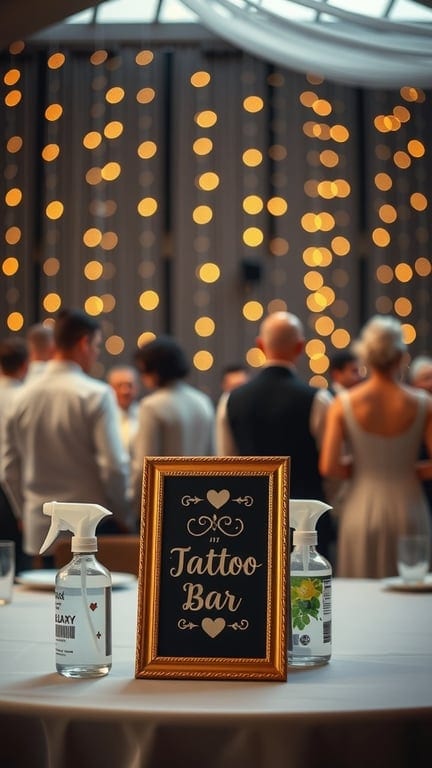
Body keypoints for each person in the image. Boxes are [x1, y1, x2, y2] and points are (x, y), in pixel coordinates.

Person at [0, 308, 132, 562]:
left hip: (39, 527)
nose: (97, 352)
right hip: (92, 529)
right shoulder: (95, 394)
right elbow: (114, 467)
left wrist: (22, 514)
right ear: (84, 342)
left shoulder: (21, 396)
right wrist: (123, 516)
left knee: (44, 600)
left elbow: (9, 467)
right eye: (96, 345)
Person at [320, 315, 432, 578]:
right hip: (409, 507)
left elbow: (329, 466)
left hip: (361, 508)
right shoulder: (424, 403)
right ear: (401, 356)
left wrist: (364, 468)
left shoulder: (343, 403)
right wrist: (408, 471)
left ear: (366, 356)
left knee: (361, 599)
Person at [216, 311, 333, 561]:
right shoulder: (318, 399)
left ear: (260, 345)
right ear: (300, 347)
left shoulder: (231, 400)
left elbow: (227, 465)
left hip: (250, 519)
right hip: (307, 522)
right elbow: (330, 468)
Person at [132, 335, 215, 515]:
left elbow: (143, 468)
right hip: (202, 502)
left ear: (153, 370)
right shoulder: (203, 402)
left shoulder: (151, 406)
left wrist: (133, 510)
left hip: (164, 505)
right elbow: (214, 458)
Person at [0, 338, 30, 572]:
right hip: (12, 491)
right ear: (25, 365)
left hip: (8, 485)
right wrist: (22, 509)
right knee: (15, 567)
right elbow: (13, 461)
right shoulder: (25, 398)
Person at [408, 355, 432, 520]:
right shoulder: (408, 408)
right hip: (416, 483)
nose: (431, 383)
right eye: (426, 378)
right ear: (414, 383)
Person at [107, 365, 141, 456]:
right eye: (119, 385)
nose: (125, 391)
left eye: (129, 385)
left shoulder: (145, 415)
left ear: (137, 388)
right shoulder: (104, 416)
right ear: (110, 388)